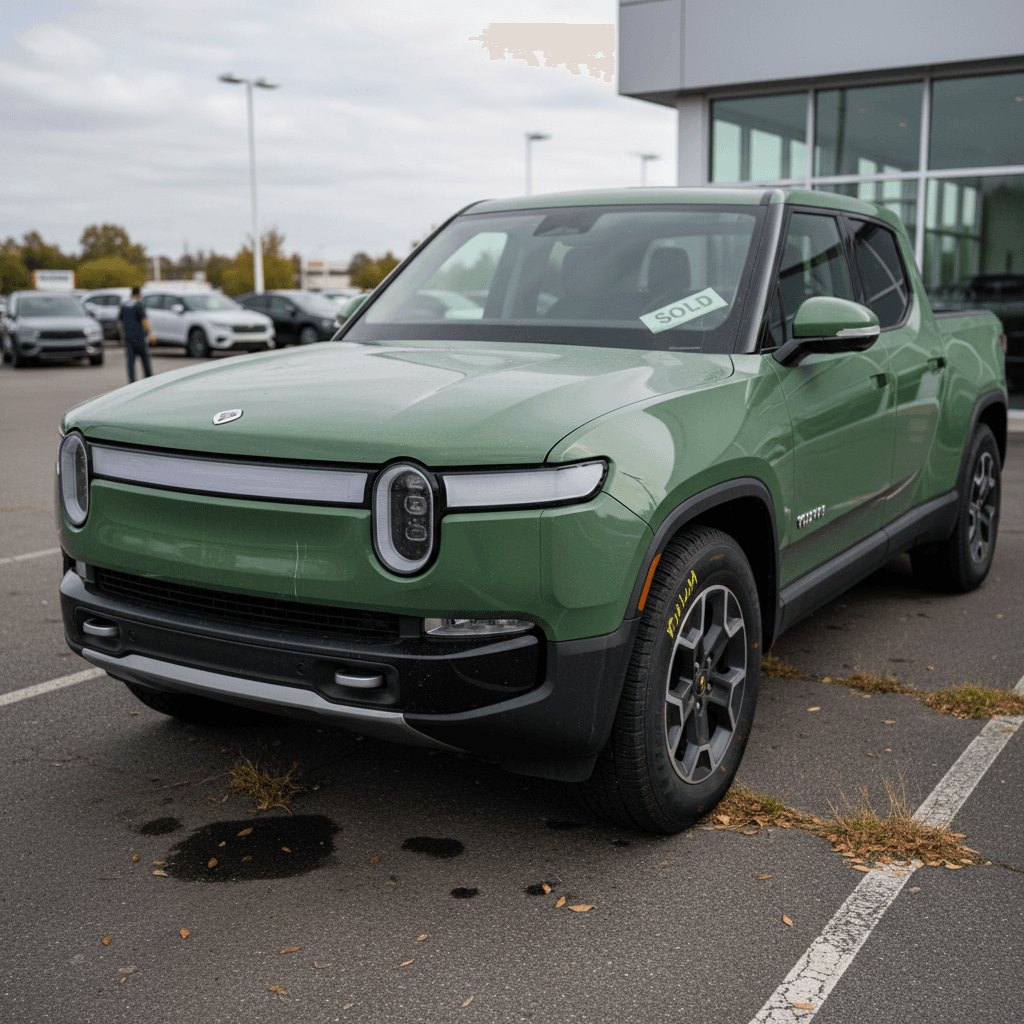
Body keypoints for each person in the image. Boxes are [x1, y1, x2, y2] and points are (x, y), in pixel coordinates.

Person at [118, 287, 155, 383]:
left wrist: (122, 336)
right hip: (139, 336)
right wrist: (151, 333)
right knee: (145, 360)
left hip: (128, 337)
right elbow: (144, 320)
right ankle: (149, 380)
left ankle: (132, 381)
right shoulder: (139, 304)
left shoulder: (124, 305)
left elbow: (119, 321)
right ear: (138, 294)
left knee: (130, 361)